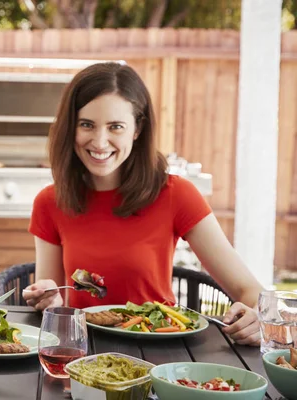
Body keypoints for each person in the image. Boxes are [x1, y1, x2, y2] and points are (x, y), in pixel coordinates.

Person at [22, 62, 263, 346]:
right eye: (86, 124)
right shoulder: (50, 201)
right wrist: (47, 297)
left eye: (116, 127)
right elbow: (52, 304)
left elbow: (249, 291)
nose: (100, 142)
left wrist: (257, 318)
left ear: (137, 129)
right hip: (82, 354)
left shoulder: (177, 194)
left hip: (160, 351)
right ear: (70, 128)